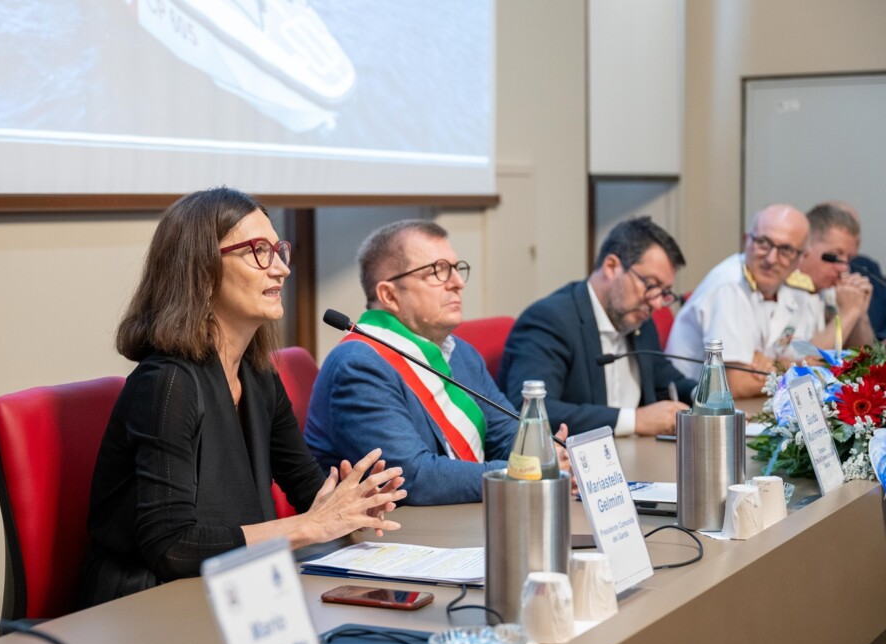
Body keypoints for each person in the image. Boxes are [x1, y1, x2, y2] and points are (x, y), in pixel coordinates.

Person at [77, 188, 406, 608]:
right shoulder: (166, 384)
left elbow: (307, 488)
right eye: (258, 251)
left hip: (233, 590)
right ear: (201, 269)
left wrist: (353, 503)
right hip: (143, 605)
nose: (282, 269)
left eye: (279, 250)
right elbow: (172, 548)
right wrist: (312, 525)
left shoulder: (257, 375)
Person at [305, 219, 569, 506]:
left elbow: (507, 436)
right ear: (389, 295)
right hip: (396, 535)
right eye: (437, 271)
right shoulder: (358, 366)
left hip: (462, 516)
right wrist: (525, 474)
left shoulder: (459, 351)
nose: (457, 283)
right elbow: (413, 478)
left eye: (456, 269)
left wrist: (543, 454)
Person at [498, 216, 694, 437]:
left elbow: (664, 377)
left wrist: (706, 397)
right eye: (651, 285)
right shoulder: (550, 320)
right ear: (611, 266)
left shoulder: (639, 318)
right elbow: (532, 409)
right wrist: (636, 420)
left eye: (665, 292)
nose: (657, 303)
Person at [666, 204, 820, 398]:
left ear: (801, 258)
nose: (771, 259)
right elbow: (736, 384)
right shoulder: (730, 286)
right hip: (696, 411)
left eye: (786, 250)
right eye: (763, 243)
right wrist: (788, 367)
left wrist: (776, 365)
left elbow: (810, 358)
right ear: (746, 240)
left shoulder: (790, 290)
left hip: (749, 406)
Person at [796, 202, 874, 348]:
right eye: (834, 256)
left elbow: (865, 360)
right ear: (805, 246)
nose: (843, 268)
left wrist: (859, 313)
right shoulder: (781, 287)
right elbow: (807, 361)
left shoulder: (833, 291)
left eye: (849, 259)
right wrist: (849, 312)